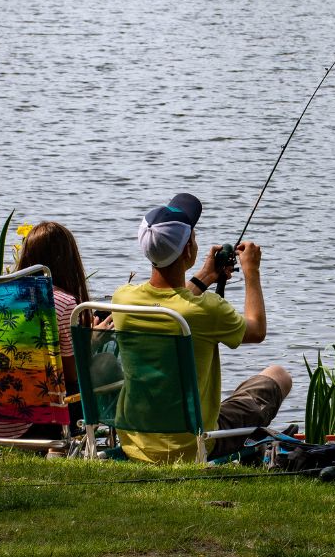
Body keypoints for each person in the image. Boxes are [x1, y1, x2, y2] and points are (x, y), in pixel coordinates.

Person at [111, 193, 292, 463]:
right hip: (191, 443)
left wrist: (206, 276)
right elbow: (256, 330)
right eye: (193, 236)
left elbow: (173, 305)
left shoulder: (123, 300)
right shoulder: (206, 309)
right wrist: (251, 271)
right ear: (187, 251)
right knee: (278, 375)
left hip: (136, 440)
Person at [0, 221, 93, 440]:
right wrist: (91, 341)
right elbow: (72, 374)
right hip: (31, 425)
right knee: (90, 376)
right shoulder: (64, 303)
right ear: (69, 261)